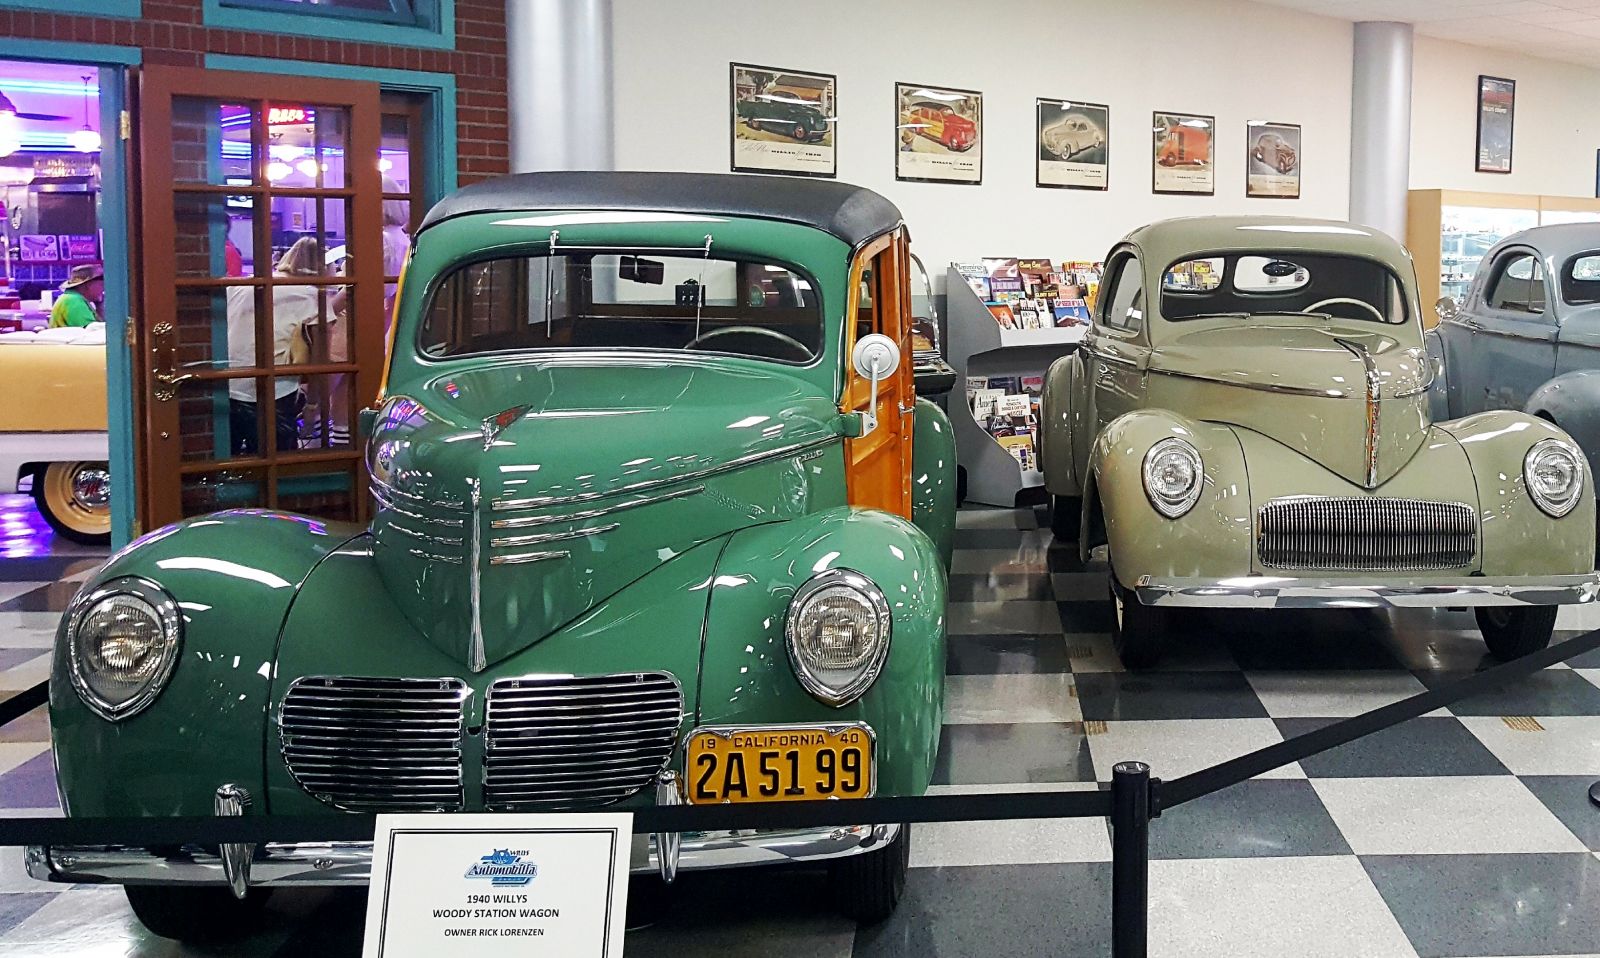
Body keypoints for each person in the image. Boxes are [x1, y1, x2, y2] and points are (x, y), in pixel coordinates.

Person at [225, 237, 322, 455]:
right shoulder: (311, 295)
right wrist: (312, 406)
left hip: (228, 385)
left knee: (229, 460)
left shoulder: (242, 285)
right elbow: (320, 357)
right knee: (278, 460)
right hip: (276, 390)